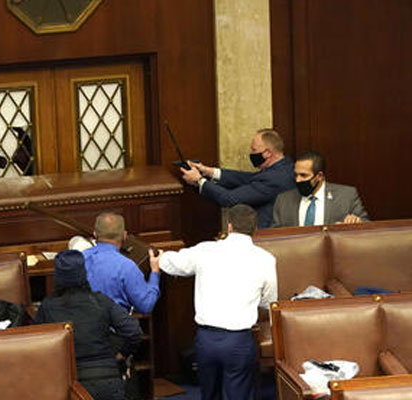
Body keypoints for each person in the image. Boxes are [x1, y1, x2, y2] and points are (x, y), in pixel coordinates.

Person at [158, 205, 277, 400]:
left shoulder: (205, 250)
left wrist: (159, 257)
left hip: (206, 340)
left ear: (229, 227)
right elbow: (269, 301)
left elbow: (172, 263)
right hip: (240, 342)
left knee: (209, 395)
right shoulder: (266, 259)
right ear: (255, 230)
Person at [33, 250, 142, 400]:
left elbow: (36, 346)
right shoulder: (101, 301)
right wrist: (122, 354)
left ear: (57, 277)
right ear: (84, 273)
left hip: (72, 384)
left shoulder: (48, 307)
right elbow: (133, 331)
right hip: (108, 379)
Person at [181, 129, 295, 228]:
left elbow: (229, 198)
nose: (251, 153)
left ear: (267, 153)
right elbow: (248, 178)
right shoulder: (285, 165)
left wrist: (199, 181)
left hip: (265, 235)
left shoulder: (274, 178)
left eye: (254, 150)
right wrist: (210, 172)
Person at [83, 212, 160, 314]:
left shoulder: (79, 259)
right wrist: (155, 272)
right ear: (124, 235)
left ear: (95, 234)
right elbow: (145, 306)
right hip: (114, 327)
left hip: (79, 327)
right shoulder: (127, 267)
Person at [272, 151, 369, 227]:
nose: (298, 180)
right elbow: (274, 234)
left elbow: (366, 226)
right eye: (296, 175)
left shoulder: (346, 196)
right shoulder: (283, 200)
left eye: (303, 175)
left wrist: (355, 222)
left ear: (319, 176)